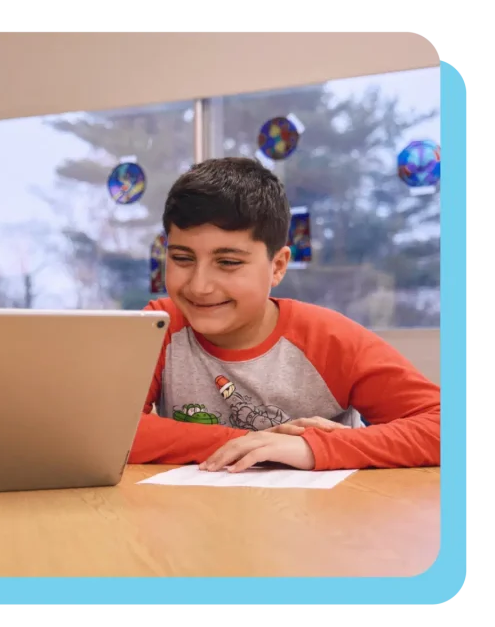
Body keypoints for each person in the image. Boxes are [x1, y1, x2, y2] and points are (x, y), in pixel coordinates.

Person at [130, 157, 440, 473]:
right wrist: (254, 442)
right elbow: (106, 429)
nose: (200, 286)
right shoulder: (160, 325)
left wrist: (311, 447)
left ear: (277, 266)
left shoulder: (328, 338)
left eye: (228, 263)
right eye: (182, 258)